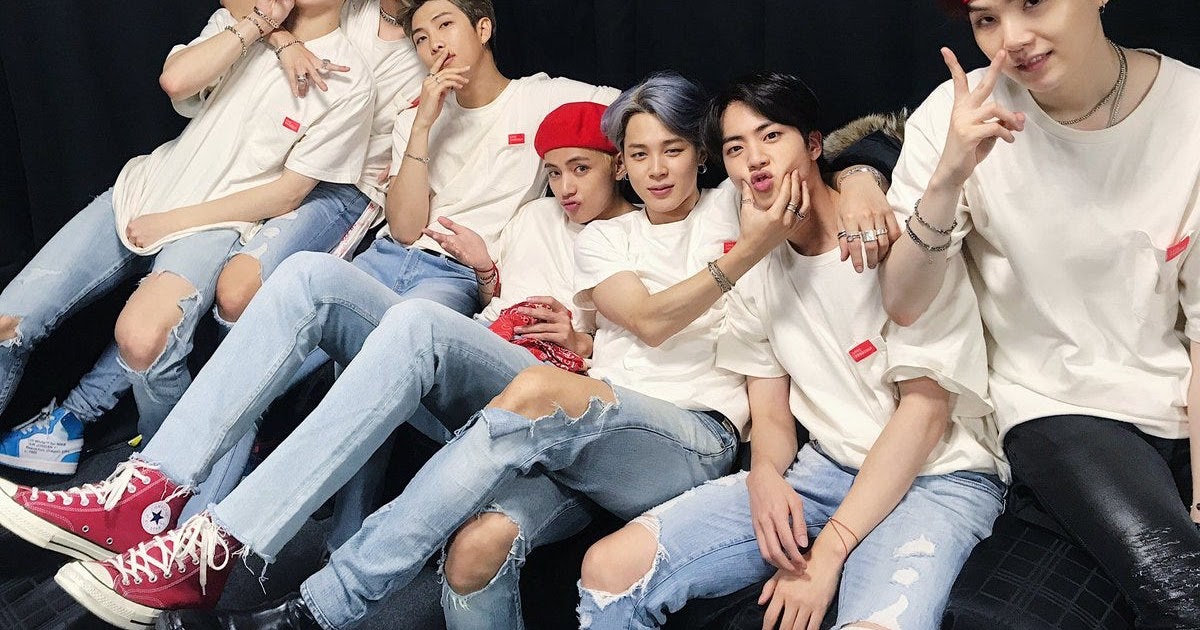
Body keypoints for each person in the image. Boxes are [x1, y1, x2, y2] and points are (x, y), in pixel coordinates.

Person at [0, 101, 631, 630]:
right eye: (554, 172)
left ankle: (220, 549)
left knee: (411, 326)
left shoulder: (642, 237)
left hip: (562, 391)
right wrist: (489, 271)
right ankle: (153, 493)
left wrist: (581, 341)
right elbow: (500, 292)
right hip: (487, 358)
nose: (566, 186)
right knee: (306, 275)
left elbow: (640, 351)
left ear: (618, 163)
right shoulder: (537, 217)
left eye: (581, 168)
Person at [574, 72, 1006, 630]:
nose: (754, 159)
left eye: (772, 136)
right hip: (826, 471)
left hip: (939, 474)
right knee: (609, 568)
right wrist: (765, 476)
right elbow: (771, 410)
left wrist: (830, 550)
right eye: (735, 148)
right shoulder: (754, 264)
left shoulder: (904, 236)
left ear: (815, 144)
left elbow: (925, 413)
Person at [0, 0, 427, 477]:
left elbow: (289, 193)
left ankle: (161, 482)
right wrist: (267, 29)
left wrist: (172, 222)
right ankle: (77, 435)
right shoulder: (242, 23)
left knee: (146, 337)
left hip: (216, 224)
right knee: (6, 321)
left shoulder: (349, 79)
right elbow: (175, 81)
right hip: (142, 190)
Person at [882, 0, 1200, 626]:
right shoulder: (957, 115)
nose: (1014, 38)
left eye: (1032, 3)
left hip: (1176, 409)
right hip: (1054, 408)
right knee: (1179, 593)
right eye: (986, 19)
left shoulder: (1189, 113)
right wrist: (947, 179)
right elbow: (904, 302)